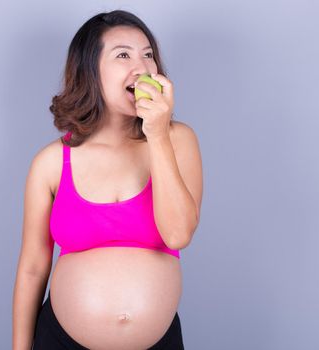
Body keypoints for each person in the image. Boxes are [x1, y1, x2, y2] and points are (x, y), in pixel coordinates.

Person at [12, 9, 203, 350]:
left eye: (148, 55)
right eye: (123, 55)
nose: (142, 67)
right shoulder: (52, 162)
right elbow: (32, 269)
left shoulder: (177, 139)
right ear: (91, 72)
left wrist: (157, 134)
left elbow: (177, 234)